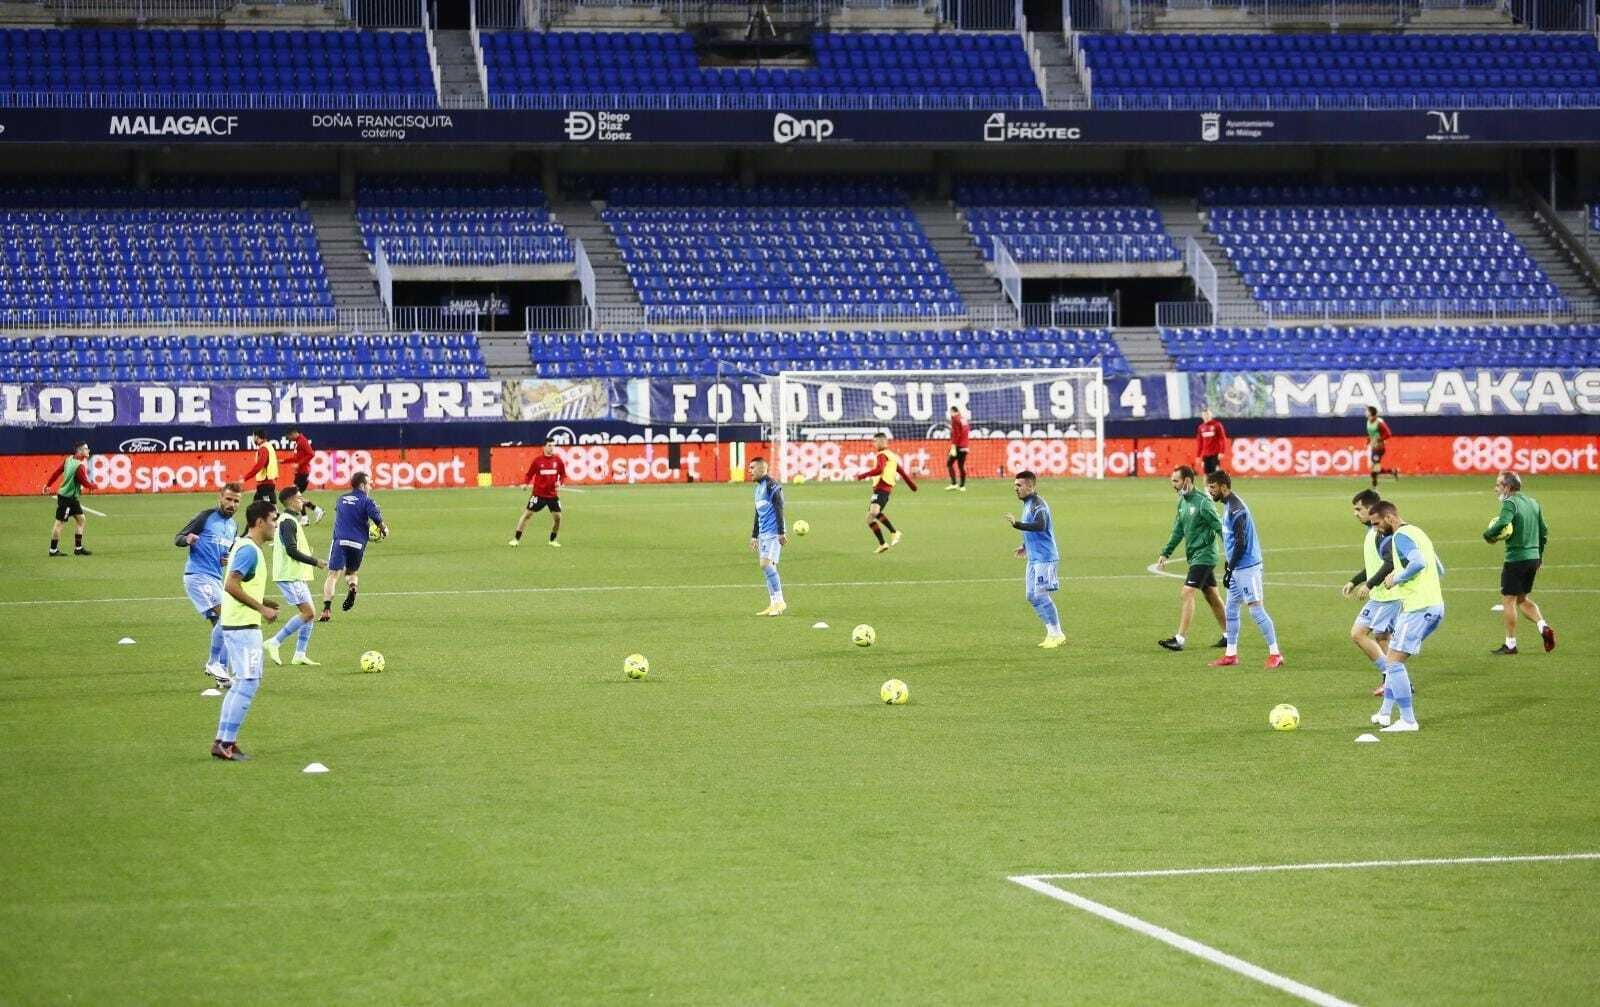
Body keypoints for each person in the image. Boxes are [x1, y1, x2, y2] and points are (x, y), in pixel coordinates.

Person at [211, 500, 281, 761]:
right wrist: (262, 610)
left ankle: (223, 740)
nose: (275, 524)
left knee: (241, 682)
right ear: (260, 522)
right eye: (273, 519)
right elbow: (231, 585)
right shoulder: (249, 550)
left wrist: (263, 602)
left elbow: (240, 585)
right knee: (249, 682)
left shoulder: (244, 546)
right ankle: (226, 742)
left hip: (238, 623)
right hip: (243, 626)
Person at [1368, 501, 1445, 733]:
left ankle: (1408, 720)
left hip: (1419, 608)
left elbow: (1419, 563)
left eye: (1377, 523)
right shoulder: (1418, 532)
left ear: (1389, 517)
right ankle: (1384, 713)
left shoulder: (1400, 535)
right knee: (1393, 661)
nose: (1376, 529)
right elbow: (1439, 568)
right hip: (1432, 605)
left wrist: (1398, 578)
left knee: (1393, 663)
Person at [1204, 470, 1284, 669]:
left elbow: (1241, 542)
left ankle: (1275, 653)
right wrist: (1229, 565)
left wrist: (1230, 567)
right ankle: (1231, 654)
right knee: (1231, 609)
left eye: (1212, 487)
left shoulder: (1236, 509)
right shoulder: (1228, 505)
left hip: (1247, 568)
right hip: (1237, 567)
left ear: (1223, 486)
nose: (1210, 491)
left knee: (1256, 610)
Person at [175, 482, 243, 688]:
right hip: (197, 576)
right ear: (219, 498)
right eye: (228, 499)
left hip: (215, 579)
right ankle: (213, 663)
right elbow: (177, 538)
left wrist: (227, 559)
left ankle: (221, 675)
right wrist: (188, 539)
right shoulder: (205, 517)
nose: (232, 504)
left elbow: (227, 554)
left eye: (236, 501)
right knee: (229, 616)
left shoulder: (233, 526)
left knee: (223, 626)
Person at [1156, 466, 1227, 651]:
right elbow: (1178, 529)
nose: (1173, 485)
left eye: (1175, 481)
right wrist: (1166, 552)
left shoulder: (1203, 502)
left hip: (1205, 556)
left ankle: (1179, 639)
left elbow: (1219, 528)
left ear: (1187, 481)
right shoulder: (1183, 502)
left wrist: (1231, 552)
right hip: (1194, 555)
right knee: (1212, 595)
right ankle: (1230, 634)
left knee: (1187, 592)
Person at [1485, 471, 1554, 655]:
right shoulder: (1533, 503)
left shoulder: (1510, 503)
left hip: (1516, 559)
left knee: (1508, 601)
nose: (1496, 489)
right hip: (1532, 559)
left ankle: (1510, 644)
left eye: (1499, 485)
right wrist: (1539, 555)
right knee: (1522, 599)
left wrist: (1489, 534)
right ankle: (1543, 626)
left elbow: (1503, 522)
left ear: (1508, 487)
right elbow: (1544, 531)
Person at [1343, 489, 1402, 697]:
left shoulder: (1382, 534)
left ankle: (1395, 681)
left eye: (1358, 509)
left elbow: (1389, 563)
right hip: (1379, 597)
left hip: (1389, 597)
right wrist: (1355, 580)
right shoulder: (1373, 533)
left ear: (1371, 509)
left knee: (1375, 637)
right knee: (1369, 636)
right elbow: (1374, 565)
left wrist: (1368, 585)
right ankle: (1393, 679)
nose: (1355, 513)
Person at [265, 485, 327, 667]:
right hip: (289, 575)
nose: (303, 501)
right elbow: (291, 551)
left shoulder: (290, 520)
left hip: (295, 574)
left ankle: (299, 654)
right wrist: (315, 561)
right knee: (308, 613)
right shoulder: (287, 522)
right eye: (300, 498)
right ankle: (274, 642)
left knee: (310, 614)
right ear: (291, 500)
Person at [1005, 470, 1064, 649]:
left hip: (1045, 558)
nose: (1016, 489)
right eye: (1015, 485)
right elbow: (1034, 530)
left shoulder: (1038, 505)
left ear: (1030, 486)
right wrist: (1025, 545)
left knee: (1041, 595)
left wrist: (1017, 524)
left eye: (1019, 485)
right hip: (1034, 557)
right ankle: (1050, 632)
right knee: (1031, 595)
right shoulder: (1027, 503)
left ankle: (1057, 633)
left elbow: (1040, 525)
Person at [321, 471, 388, 621]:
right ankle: (352, 587)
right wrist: (384, 530)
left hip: (340, 540)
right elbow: (377, 518)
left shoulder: (341, 499)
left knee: (333, 575)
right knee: (351, 573)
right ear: (362, 485)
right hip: (358, 543)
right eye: (369, 483)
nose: (371, 486)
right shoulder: (367, 501)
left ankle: (326, 609)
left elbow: (342, 513)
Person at [857, 432, 918, 554]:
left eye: (875, 441)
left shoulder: (881, 455)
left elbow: (879, 469)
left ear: (881, 441)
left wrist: (863, 475)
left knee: (874, 512)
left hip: (882, 488)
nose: (874, 444)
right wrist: (913, 486)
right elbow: (902, 472)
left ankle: (894, 532)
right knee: (869, 519)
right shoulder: (892, 456)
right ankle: (882, 544)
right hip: (882, 490)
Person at [747, 457, 788, 616]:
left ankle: (780, 601)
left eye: (752, 468)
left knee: (765, 564)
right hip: (764, 533)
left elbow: (779, 507)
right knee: (768, 569)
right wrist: (754, 535)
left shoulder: (772, 485)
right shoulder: (758, 488)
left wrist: (781, 532)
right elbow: (758, 513)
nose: (749, 471)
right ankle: (774, 605)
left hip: (773, 532)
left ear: (762, 469)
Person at [509, 442, 567, 547]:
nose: (551, 447)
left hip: (552, 495)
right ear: (544, 447)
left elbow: (563, 474)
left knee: (558, 518)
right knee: (527, 515)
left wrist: (560, 482)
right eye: (549, 445)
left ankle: (552, 540)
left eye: (553, 445)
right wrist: (526, 484)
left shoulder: (558, 461)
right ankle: (516, 539)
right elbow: (529, 474)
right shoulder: (537, 461)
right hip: (538, 495)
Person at [43, 440, 94, 557]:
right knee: (59, 523)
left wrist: (48, 484)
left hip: (71, 498)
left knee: (81, 519)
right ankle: (53, 550)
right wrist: (95, 486)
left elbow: (57, 472)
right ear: (80, 451)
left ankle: (78, 548)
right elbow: (85, 483)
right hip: (67, 498)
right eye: (86, 449)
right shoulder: (79, 466)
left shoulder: (69, 459)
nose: (88, 450)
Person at [284, 426, 324, 524]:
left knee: (294, 495)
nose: (289, 439)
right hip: (300, 473)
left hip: (303, 473)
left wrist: (299, 464)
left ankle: (313, 512)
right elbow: (296, 458)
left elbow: (311, 454)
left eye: (289, 437)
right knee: (296, 496)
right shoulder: (298, 442)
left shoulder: (302, 441)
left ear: (293, 433)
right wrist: (284, 461)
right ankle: (310, 514)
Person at [239, 429, 280, 503]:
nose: (253, 439)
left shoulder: (264, 448)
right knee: (257, 508)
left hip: (266, 483)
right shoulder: (268, 446)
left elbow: (259, 466)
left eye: (254, 437)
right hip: (267, 483)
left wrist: (245, 478)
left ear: (257, 437)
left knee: (268, 508)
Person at [1365, 406, 1399, 487]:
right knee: (1375, 469)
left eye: (1366, 411)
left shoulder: (1379, 422)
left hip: (1379, 448)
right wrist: (1368, 440)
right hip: (1374, 448)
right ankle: (1392, 471)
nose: (1365, 412)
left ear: (1370, 412)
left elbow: (1388, 434)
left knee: (1374, 470)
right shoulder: (1368, 421)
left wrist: (1379, 440)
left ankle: (1374, 486)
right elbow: (1370, 433)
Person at [1194, 406, 1229, 476]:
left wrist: (1222, 451)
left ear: (1211, 415)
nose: (1206, 416)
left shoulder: (1217, 425)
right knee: (1206, 474)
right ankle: (1207, 487)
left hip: (1215, 454)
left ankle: (1218, 486)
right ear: (1202, 416)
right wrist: (1198, 455)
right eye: (1204, 415)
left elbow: (1223, 439)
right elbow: (1200, 443)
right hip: (1205, 454)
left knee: (1215, 473)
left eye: (1207, 415)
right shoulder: (1201, 427)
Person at [945, 405, 969, 491]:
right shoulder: (963, 419)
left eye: (950, 412)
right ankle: (962, 486)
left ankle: (954, 483)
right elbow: (965, 431)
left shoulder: (955, 419)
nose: (950, 414)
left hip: (958, 446)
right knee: (961, 466)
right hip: (965, 446)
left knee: (949, 463)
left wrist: (953, 446)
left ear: (953, 411)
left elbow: (956, 434)